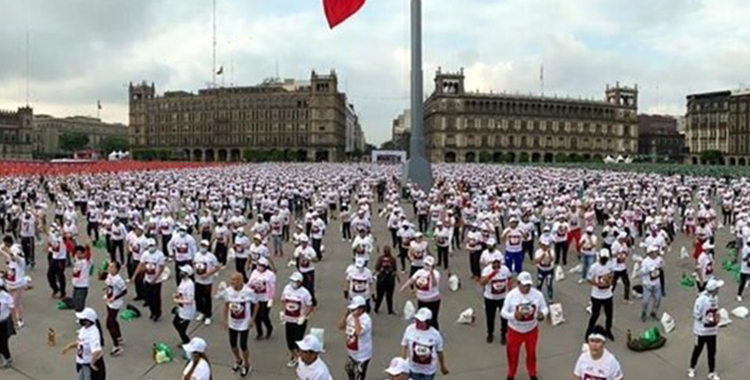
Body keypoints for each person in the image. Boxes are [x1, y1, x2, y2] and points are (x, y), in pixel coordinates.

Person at [501, 271, 549, 380]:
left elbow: (545, 308)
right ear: (518, 284)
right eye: (524, 285)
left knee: (531, 353)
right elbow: (503, 313)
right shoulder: (511, 295)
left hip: (531, 330)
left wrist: (542, 314)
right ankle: (511, 374)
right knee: (513, 355)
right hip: (515, 330)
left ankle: (532, 373)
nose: (526, 288)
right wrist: (514, 316)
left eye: (528, 285)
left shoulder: (537, 294)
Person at [399, 308, 449, 380]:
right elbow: (404, 345)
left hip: (429, 371)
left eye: (421, 321)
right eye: (417, 320)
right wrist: (402, 363)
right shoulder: (410, 329)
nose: (418, 323)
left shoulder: (435, 334)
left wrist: (443, 366)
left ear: (428, 322)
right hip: (413, 368)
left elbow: (439, 351)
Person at [223, 272, 257, 377]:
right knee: (233, 344)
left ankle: (246, 365)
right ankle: (238, 360)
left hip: (244, 323)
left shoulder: (248, 292)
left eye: (235, 280)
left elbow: (256, 304)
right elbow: (226, 305)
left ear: (241, 281)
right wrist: (225, 320)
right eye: (232, 280)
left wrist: (252, 319)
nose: (232, 282)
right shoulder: (228, 291)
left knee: (243, 344)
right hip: (232, 322)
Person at [689, 278, 723, 380]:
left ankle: (711, 372)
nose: (719, 289)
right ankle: (692, 367)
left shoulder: (715, 298)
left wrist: (717, 318)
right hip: (701, 331)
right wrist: (706, 320)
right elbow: (696, 314)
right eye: (717, 288)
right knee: (698, 349)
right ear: (713, 289)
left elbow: (715, 310)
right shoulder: (701, 299)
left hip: (712, 330)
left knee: (712, 351)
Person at [63, 307, 106, 380]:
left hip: (88, 365)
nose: (79, 320)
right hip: (82, 362)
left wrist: (92, 363)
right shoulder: (84, 329)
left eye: (82, 319)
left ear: (88, 321)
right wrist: (70, 346)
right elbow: (81, 342)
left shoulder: (93, 333)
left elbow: (97, 350)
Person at [282, 272, 314, 367]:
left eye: (295, 281)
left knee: (298, 340)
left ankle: (301, 358)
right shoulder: (287, 288)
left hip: (299, 320)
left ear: (300, 282)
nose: (293, 283)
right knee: (289, 341)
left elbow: (310, 306)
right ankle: (294, 356)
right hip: (289, 319)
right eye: (292, 281)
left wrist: (304, 316)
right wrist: (283, 311)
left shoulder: (305, 293)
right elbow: (283, 300)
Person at [400, 256, 441, 330]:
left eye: (428, 265)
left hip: (433, 299)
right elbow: (412, 279)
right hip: (422, 299)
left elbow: (434, 285)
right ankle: (423, 332)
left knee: (433, 319)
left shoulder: (436, 273)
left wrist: (431, 273)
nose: (426, 266)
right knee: (422, 318)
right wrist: (404, 286)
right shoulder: (420, 272)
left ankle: (435, 334)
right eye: (425, 264)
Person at [337, 296, 372, 380]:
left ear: (361, 309)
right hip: (351, 351)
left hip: (362, 354)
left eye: (355, 309)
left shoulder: (366, 319)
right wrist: (346, 315)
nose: (352, 311)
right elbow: (340, 326)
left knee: (359, 375)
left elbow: (358, 332)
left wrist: (356, 318)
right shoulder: (350, 316)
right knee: (349, 369)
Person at [479, 254, 512, 344]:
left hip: (503, 297)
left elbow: (509, 278)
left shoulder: (505, 269)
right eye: (495, 263)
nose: (497, 265)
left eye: (498, 263)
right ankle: (490, 333)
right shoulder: (487, 270)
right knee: (490, 317)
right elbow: (482, 282)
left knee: (504, 318)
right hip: (490, 298)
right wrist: (492, 274)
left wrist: (509, 287)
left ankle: (503, 335)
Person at [586, 249, 615, 341]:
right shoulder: (594, 267)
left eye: (606, 258)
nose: (604, 260)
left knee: (609, 315)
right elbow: (589, 279)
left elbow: (612, 274)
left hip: (608, 294)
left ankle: (608, 330)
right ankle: (589, 332)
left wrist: (609, 280)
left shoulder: (610, 265)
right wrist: (598, 284)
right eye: (603, 258)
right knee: (595, 314)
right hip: (597, 295)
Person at [133, 238, 165, 321]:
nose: (151, 247)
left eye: (152, 245)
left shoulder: (160, 255)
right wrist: (135, 275)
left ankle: (157, 313)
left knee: (156, 297)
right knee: (149, 297)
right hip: (147, 278)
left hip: (156, 280)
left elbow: (161, 267)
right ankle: (152, 311)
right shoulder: (145, 254)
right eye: (149, 246)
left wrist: (156, 277)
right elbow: (141, 265)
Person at [193, 240, 220, 326]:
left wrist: (208, 274)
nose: (202, 247)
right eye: (201, 245)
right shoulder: (197, 255)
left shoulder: (211, 257)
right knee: (198, 297)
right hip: (198, 280)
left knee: (207, 298)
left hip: (207, 281)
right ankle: (201, 312)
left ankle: (208, 315)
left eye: (204, 246)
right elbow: (194, 264)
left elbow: (217, 267)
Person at [1, 236, 26, 328]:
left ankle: (20, 320)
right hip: (10, 281)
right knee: (11, 302)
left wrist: (9, 251)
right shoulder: (10, 257)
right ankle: (14, 320)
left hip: (18, 282)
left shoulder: (17, 254)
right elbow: (8, 259)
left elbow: (17, 259)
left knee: (16, 303)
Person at [248, 256, 276, 340]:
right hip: (255, 298)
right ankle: (259, 332)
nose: (259, 266)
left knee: (264, 316)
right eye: (258, 264)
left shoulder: (270, 275)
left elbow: (272, 287)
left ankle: (269, 328)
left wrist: (271, 298)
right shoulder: (254, 272)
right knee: (256, 316)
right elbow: (249, 283)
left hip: (265, 298)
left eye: (262, 265)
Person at [103, 261, 126, 356]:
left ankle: (116, 346)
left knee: (109, 324)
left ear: (117, 269)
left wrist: (114, 298)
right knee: (113, 320)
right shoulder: (109, 276)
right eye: (109, 267)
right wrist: (107, 292)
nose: (110, 268)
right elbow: (109, 286)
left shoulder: (118, 280)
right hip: (109, 301)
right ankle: (119, 337)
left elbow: (124, 291)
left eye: (112, 267)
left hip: (116, 303)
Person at [639, 245, 663, 322]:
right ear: (650, 253)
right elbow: (641, 272)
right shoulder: (645, 261)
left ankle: (653, 312)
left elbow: (662, 265)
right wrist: (649, 270)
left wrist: (660, 266)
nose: (656, 253)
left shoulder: (659, 259)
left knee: (658, 299)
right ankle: (643, 313)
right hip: (647, 284)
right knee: (645, 301)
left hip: (657, 283)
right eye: (654, 252)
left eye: (656, 252)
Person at [173, 265, 196, 346]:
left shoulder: (190, 284)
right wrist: (177, 295)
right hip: (181, 308)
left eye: (183, 272)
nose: (180, 273)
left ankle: (187, 343)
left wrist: (178, 300)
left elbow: (190, 300)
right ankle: (185, 341)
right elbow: (180, 290)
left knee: (182, 329)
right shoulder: (183, 281)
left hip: (187, 310)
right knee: (175, 323)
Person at [374, 246, 398, 315]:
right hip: (390, 280)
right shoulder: (392, 259)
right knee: (389, 296)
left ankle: (376, 308)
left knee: (379, 296)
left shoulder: (380, 259)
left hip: (381, 280)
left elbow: (377, 268)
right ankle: (390, 310)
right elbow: (395, 269)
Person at [47, 224, 68, 299]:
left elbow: (66, 236)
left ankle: (63, 292)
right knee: (50, 275)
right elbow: (45, 231)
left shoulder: (62, 237)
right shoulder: (51, 236)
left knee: (60, 276)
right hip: (54, 257)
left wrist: (62, 231)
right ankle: (55, 288)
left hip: (61, 258)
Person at [72, 245, 93, 313]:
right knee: (75, 302)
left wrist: (87, 248)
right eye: (77, 253)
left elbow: (88, 256)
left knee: (80, 303)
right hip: (76, 285)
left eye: (80, 253)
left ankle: (82, 317)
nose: (78, 255)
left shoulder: (86, 262)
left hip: (82, 285)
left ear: (84, 254)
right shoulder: (76, 260)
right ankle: (79, 316)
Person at [0, 278, 14, 368]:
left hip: (3, 322)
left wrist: (16, 320)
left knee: (3, 342)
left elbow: (12, 309)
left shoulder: (6, 296)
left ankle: (7, 358)